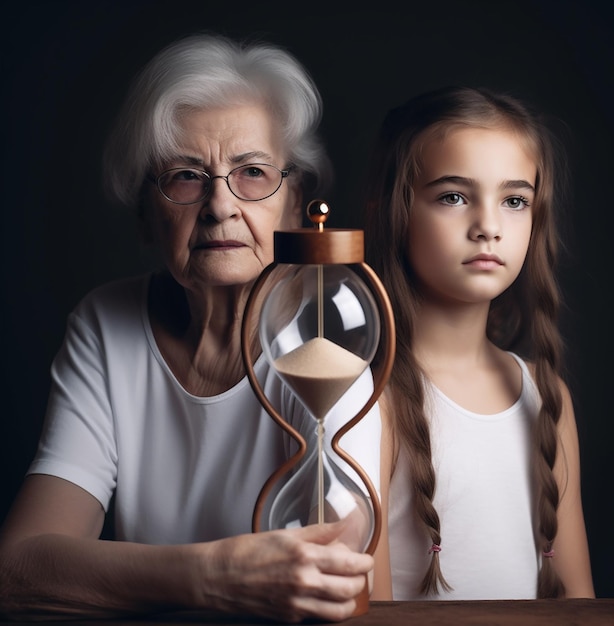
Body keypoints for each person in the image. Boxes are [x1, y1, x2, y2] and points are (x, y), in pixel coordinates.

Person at [0, 33, 382, 623]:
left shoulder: (329, 337)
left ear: (295, 201)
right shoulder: (106, 326)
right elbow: (19, 568)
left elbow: (340, 576)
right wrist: (213, 578)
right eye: (185, 176)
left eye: (252, 173)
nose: (220, 205)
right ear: (144, 215)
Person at [364, 86, 595, 600]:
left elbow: (579, 601)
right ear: (393, 212)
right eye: (453, 197)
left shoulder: (545, 393)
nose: (488, 227)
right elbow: (368, 605)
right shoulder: (367, 397)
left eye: (514, 201)